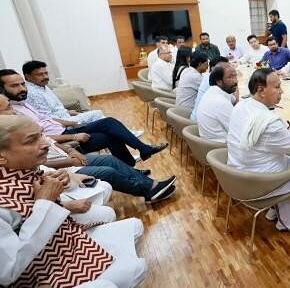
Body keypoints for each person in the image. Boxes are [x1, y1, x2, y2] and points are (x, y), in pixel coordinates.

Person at [0, 115, 146, 287]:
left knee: (135, 228)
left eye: (41, 135)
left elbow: (29, 206)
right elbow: (8, 272)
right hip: (39, 274)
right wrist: (45, 203)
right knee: (130, 272)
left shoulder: (20, 171)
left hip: (61, 245)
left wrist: (58, 185)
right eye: (31, 141)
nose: (45, 143)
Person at [1, 70, 168, 166]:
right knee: (110, 136)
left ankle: (142, 150)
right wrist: (74, 135)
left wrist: (73, 122)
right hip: (64, 140)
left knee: (109, 122)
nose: (22, 88)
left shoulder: (22, 103)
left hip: (66, 129)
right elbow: (41, 136)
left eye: (22, 84)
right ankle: (137, 159)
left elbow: (49, 119)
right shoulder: (10, 114)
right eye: (15, 86)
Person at [227, 68, 290, 232]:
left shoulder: (241, 106)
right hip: (261, 182)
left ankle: (276, 210)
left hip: (237, 173)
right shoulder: (271, 123)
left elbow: (260, 129)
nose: (282, 91)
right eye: (277, 87)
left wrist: (287, 124)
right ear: (261, 90)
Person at [43, 135, 177, 203]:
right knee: (109, 172)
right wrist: (70, 161)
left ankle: (151, 185)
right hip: (63, 170)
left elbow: (51, 142)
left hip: (71, 158)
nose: (22, 87)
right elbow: (42, 164)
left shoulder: (32, 130)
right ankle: (146, 191)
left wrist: (71, 150)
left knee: (109, 159)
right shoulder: (24, 145)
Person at [23, 60, 103, 124]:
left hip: (67, 117)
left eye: (46, 73)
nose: (46, 77)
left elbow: (55, 108)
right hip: (62, 124)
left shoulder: (42, 86)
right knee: (99, 115)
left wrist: (69, 112)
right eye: (40, 74)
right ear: (28, 76)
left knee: (101, 119)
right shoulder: (32, 93)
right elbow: (47, 118)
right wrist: (71, 121)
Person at [196, 63, 238, 143]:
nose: (236, 81)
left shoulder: (213, 90)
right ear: (219, 81)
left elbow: (234, 99)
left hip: (210, 142)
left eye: (235, 76)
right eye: (230, 77)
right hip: (221, 147)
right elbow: (238, 132)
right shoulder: (222, 103)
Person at [189, 56, 230, 122]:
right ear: (213, 68)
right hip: (198, 123)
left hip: (197, 117)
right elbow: (234, 100)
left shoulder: (206, 76)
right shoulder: (215, 82)